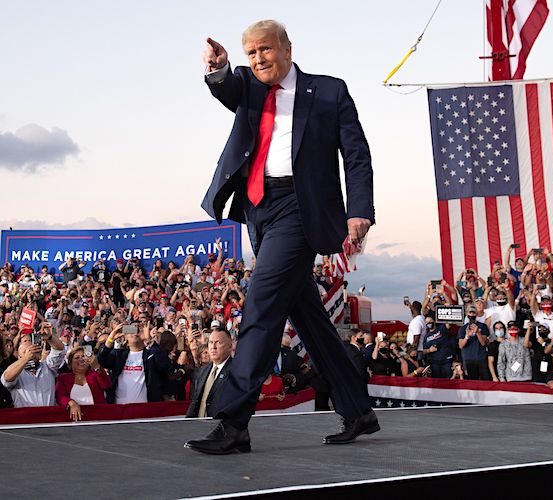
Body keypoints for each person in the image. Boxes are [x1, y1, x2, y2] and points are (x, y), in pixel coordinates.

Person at [185, 19, 377, 455]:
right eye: (250, 53)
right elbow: (226, 89)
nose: (258, 59)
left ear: (287, 48)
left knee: (262, 302)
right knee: (305, 313)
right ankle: (357, 408)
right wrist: (219, 69)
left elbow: (356, 154)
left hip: (302, 208)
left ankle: (233, 421)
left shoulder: (329, 91)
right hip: (258, 208)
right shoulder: (248, 86)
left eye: (265, 50)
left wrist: (360, 210)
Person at [97, 323, 170, 404]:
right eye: (131, 330)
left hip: (146, 409)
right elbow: (101, 360)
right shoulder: (118, 355)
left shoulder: (151, 354)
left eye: (138, 330)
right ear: (125, 336)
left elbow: (165, 365)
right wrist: (111, 338)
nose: (135, 332)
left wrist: (149, 340)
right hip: (119, 408)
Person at [1, 323, 66, 407]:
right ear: (18, 353)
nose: (29, 343)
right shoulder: (16, 371)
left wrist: (49, 337)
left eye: (31, 341)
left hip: (49, 418)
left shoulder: (48, 366)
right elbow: (7, 378)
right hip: (26, 418)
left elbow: (59, 350)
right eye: (25, 341)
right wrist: (26, 358)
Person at [55, 347, 112, 421]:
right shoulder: (63, 378)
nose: (81, 359)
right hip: (74, 420)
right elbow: (59, 395)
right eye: (77, 357)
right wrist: (71, 403)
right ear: (70, 362)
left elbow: (107, 384)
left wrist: (97, 366)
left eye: (83, 356)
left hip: (98, 418)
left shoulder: (95, 374)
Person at [186, 328, 233, 418]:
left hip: (223, 428)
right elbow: (195, 402)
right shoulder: (202, 371)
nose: (213, 347)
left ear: (230, 346)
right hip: (199, 428)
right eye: (211, 342)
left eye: (218, 343)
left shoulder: (236, 371)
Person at [458, 305, 490, 380]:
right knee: (471, 383)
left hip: (481, 358)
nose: (472, 315)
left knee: (485, 381)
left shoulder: (483, 326)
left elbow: (483, 343)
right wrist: (467, 336)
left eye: (474, 313)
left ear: (476, 314)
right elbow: (460, 345)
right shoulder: (462, 329)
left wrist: (478, 332)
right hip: (469, 359)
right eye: (470, 312)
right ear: (466, 314)